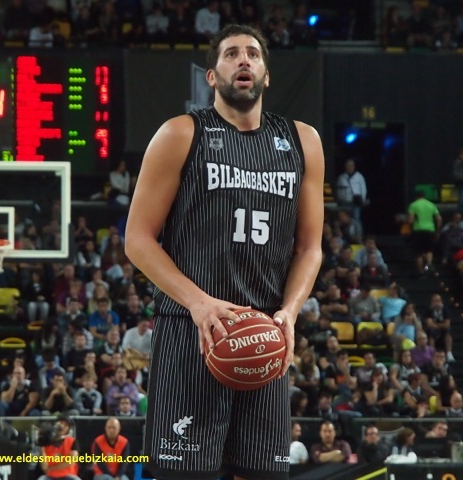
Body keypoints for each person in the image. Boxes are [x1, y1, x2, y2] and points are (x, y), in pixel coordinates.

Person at [124, 23, 324, 480]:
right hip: (190, 333)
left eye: (253, 53)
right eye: (231, 54)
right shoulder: (180, 134)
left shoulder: (303, 142)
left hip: (264, 335)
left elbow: (310, 247)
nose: (243, 60)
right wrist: (199, 304)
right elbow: (137, 239)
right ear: (212, 76)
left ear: (266, 75)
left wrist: (290, 312)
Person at [408, 187, 442, 276]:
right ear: (424, 196)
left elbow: (411, 221)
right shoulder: (431, 205)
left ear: (416, 196)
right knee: (429, 250)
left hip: (418, 230)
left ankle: (421, 272)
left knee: (418, 253)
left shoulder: (413, 205)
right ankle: (429, 266)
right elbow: (439, 219)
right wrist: (438, 231)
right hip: (430, 230)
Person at [38, 415, 81, 480]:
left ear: (68, 429)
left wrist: (52, 468)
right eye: (61, 423)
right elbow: (44, 467)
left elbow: (71, 461)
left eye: (65, 425)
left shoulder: (72, 441)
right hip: (50, 476)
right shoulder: (46, 442)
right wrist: (42, 447)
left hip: (68, 475)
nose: (62, 426)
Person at [335, 158, 368, 231]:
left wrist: (363, 199)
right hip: (345, 202)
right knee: (345, 220)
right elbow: (338, 190)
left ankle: (358, 234)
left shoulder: (359, 177)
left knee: (356, 219)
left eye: (351, 165)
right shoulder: (342, 177)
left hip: (356, 201)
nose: (350, 167)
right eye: (348, 165)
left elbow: (363, 189)